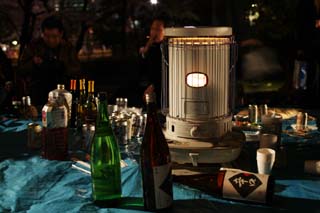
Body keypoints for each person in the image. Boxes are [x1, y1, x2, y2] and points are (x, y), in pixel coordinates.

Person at [18, 15, 81, 106]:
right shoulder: (33, 47)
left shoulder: (68, 48)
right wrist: (33, 63)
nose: (51, 40)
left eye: (54, 36)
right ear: (42, 33)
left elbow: (77, 70)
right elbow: (21, 69)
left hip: (63, 93)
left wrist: (61, 66)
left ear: (61, 34)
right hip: (38, 93)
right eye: (47, 36)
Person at [296, 0, 320, 107]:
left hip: (316, 42)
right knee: (308, 72)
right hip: (309, 44)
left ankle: (313, 98)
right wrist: (300, 46)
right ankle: (307, 99)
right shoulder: (306, 5)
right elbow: (301, 26)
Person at [139, 18, 165, 107]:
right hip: (145, 83)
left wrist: (153, 86)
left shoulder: (165, 48)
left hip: (158, 87)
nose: (154, 32)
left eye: (158, 29)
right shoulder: (150, 46)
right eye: (153, 29)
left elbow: (162, 70)